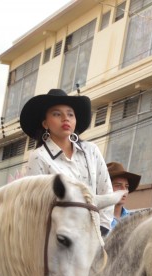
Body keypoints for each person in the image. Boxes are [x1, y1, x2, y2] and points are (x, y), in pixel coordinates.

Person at [21, 88, 114, 232]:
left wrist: (102, 228)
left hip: (95, 234)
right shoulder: (39, 156)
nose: (66, 118)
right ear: (45, 124)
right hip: (61, 238)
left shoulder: (91, 150)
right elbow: (35, 206)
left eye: (70, 114)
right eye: (57, 114)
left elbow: (106, 192)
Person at [106, 162, 140, 233]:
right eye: (118, 186)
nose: (124, 190)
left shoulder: (133, 219)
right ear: (107, 188)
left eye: (126, 187)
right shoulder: (98, 218)